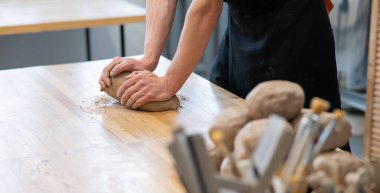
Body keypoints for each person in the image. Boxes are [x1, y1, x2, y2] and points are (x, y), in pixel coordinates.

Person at [99, 0, 340, 112]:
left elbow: (206, 7)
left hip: (294, 26)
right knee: (230, 118)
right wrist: (148, 59)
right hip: (243, 23)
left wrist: (168, 82)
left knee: (296, 142)